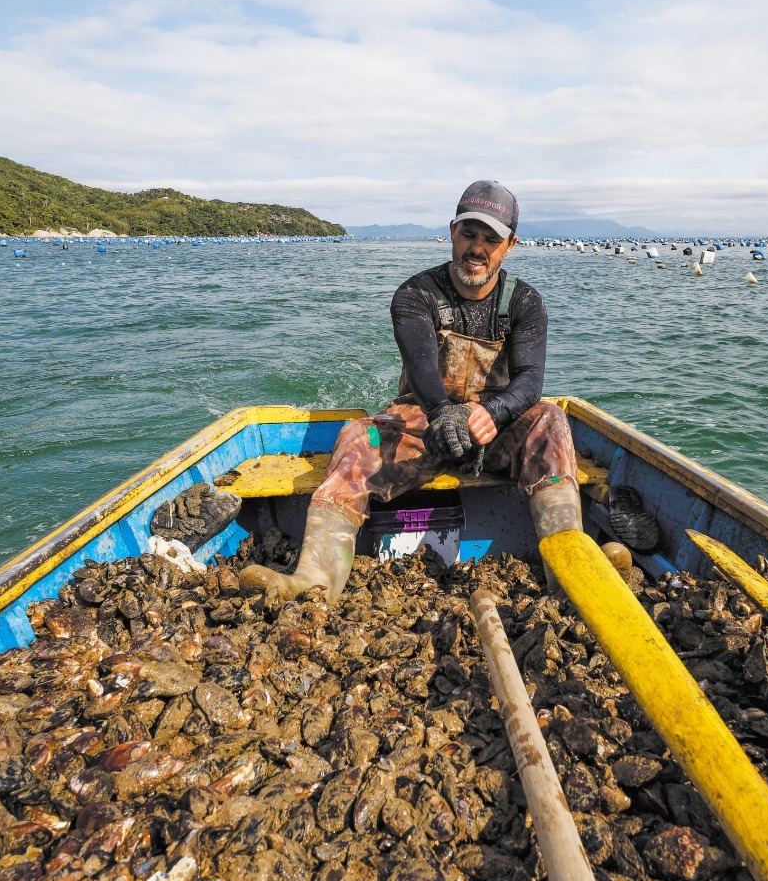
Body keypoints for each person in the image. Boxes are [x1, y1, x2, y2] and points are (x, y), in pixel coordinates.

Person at [239, 179, 582, 602]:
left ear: (510, 245)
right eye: (469, 234)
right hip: (422, 424)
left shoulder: (525, 302)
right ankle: (314, 580)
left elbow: (530, 380)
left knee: (550, 419)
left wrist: (493, 413)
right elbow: (421, 368)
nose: (477, 248)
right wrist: (442, 413)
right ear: (452, 232)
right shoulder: (415, 295)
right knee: (357, 436)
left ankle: (573, 574)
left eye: (490, 239)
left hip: (491, 432)